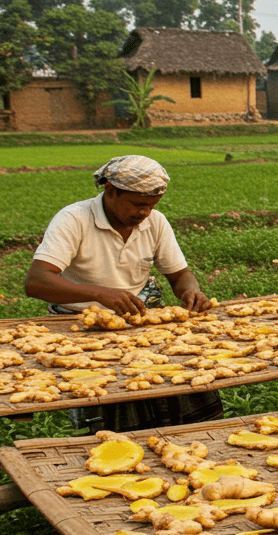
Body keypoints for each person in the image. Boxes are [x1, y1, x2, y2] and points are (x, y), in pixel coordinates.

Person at [24, 155, 223, 432]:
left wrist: (192, 291)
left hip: (135, 317)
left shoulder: (155, 222)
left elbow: (179, 275)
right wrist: (100, 294)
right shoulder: (74, 219)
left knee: (182, 375)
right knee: (114, 393)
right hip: (78, 324)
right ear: (110, 191)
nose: (144, 213)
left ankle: (185, 436)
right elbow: (36, 281)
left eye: (152, 206)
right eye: (138, 204)